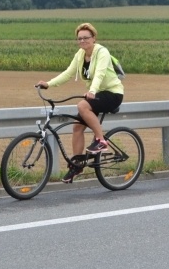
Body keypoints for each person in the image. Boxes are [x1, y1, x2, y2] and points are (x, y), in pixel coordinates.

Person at [36, 22, 124, 183]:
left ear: (93, 38)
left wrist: (92, 90)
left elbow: (99, 73)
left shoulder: (102, 52)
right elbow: (68, 73)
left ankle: (101, 141)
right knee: (77, 126)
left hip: (112, 93)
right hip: (95, 94)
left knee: (82, 105)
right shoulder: (80, 55)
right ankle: (77, 165)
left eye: (86, 38)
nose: (82, 41)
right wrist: (49, 84)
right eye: (79, 38)